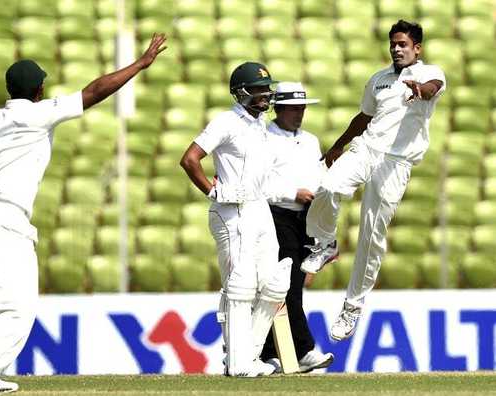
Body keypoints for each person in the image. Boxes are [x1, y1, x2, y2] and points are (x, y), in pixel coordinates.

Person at [0, 33, 167, 392]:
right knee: (20, 307)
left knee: (4, 298)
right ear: (39, 89)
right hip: (6, 220)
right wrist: (140, 63)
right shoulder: (42, 113)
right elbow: (95, 90)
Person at [301, 20, 446, 341]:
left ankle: (352, 307)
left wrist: (420, 92)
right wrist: (338, 145)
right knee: (329, 186)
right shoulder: (378, 79)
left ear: (416, 48)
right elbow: (364, 118)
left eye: (403, 44)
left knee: (371, 234)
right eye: (393, 44)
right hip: (366, 148)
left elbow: (433, 87)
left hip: (396, 161)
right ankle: (325, 243)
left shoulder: (428, 73)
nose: (397, 49)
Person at [180, 62, 292, 377]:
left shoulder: (260, 125)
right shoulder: (226, 122)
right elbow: (189, 159)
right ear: (241, 92)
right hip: (232, 211)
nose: (265, 95)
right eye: (258, 90)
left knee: (274, 284)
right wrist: (213, 191)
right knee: (241, 286)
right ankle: (239, 363)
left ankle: (247, 357)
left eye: (267, 89)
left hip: (258, 209)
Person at [259, 82, 334, 373]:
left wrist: (325, 228)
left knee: (292, 288)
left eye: (302, 108)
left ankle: (267, 353)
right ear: (278, 108)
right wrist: (293, 194)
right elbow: (260, 183)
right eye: (292, 108)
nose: (299, 113)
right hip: (277, 216)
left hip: (307, 218)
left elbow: (319, 178)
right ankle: (303, 350)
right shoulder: (264, 138)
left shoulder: (311, 140)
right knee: (285, 286)